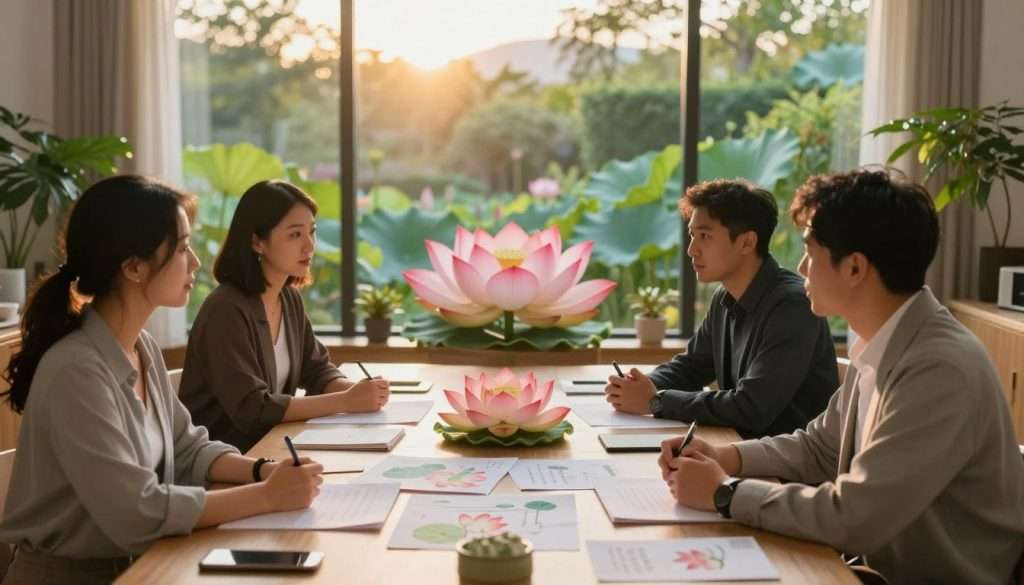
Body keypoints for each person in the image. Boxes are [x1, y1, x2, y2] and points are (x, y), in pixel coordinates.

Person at [660, 169, 1024, 585]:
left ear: (854, 268)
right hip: (865, 568)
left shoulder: (938, 368)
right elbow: (819, 448)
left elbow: (854, 517)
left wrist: (725, 493)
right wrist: (727, 457)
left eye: (810, 251)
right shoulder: (887, 340)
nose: (800, 267)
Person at [0, 176, 323, 585]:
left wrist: (263, 470)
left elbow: (187, 449)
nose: (195, 264)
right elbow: (135, 512)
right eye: (183, 248)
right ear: (134, 266)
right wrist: (266, 496)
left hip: (140, 565)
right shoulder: (77, 372)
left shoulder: (142, 348)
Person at [605, 179, 837, 438]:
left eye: (705, 236)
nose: (692, 250)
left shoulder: (793, 306)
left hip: (782, 469)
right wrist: (643, 385)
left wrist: (656, 401)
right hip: (737, 450)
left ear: (747, 243)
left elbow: (752, 408)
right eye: (692, 235)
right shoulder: (724, 297)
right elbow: (691, 367)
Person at [180, 180, 389, 452]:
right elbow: (252, 409)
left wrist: (359, 392)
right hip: (228, 463)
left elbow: (316, 370)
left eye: (311, 232)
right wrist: (346, 401)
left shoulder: (288, 298)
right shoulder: (225, 309)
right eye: (295, 235)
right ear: (257, 242)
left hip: (273, 448)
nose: (309, 246)